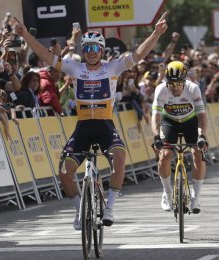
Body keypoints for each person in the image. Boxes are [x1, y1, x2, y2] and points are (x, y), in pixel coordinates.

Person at [12, 12, 168, 230]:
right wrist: (26, 36)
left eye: (96, 49)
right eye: (87, 49)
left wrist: (155, 34)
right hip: (83, 127)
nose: (92, 53)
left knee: (120, 157)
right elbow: (46, 57)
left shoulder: (111, 67)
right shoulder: (75, 68)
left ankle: (110, 208)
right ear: (82, 51)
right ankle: (79, 209)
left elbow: (138, 55)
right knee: (65, 173)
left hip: (105, 126)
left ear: (102, 51)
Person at [151, 61, 208, 214]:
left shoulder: (193, 88)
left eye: (178, 84)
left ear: (184, 81)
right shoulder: (161, 89)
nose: (175, 88)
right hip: (170, 122)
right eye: (171, 84)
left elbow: (202, 116)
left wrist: (202, 135)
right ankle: (167, 193)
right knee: (165, 155)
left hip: (190, 121)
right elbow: (155, 116)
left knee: (198, 153)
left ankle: (196, 197)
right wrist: (156, 137)